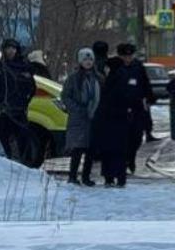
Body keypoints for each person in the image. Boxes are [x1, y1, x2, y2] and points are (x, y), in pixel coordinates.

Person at [108, 43, 153, 174]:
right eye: (125, 56)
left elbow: (145, 83)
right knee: (122, 136)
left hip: (137, 106)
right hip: (120, 107)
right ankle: (124, 161)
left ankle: (131, 157)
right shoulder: (116, 68)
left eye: (130, 56)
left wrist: (149, 98)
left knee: (137, 136)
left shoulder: (138, 67)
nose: (128, 59)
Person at [62, 48, 101, 186]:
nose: (88, 62)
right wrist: (76, 109)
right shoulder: (73, 78)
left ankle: (86, 177)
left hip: (93, 117)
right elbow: (65, 96)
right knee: (77, 149)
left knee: (90, 149)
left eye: (90, 59)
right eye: (85, 59)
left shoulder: (97, 77)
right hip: (78, 118)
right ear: (80, 61)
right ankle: (72, 176)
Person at [91, 59, 130, 186]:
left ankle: (109, 177)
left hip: (110, 122)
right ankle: (121, 177)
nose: (105, 70)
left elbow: (105, 103)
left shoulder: (111, 81)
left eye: (107, 67)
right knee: (120, 151)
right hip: (122, 121)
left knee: (109, 151)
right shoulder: (124, 79)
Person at [0, 38, 35, 163]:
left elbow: (32, 88)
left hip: (19, 110)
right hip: (4, 110)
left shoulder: (24, 67)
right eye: (7, 48)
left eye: (13, 48)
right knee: (3, 139)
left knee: (23, 139)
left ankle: (26, 166)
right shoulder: (1, 67)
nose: (10, 51)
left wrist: (25, 102)